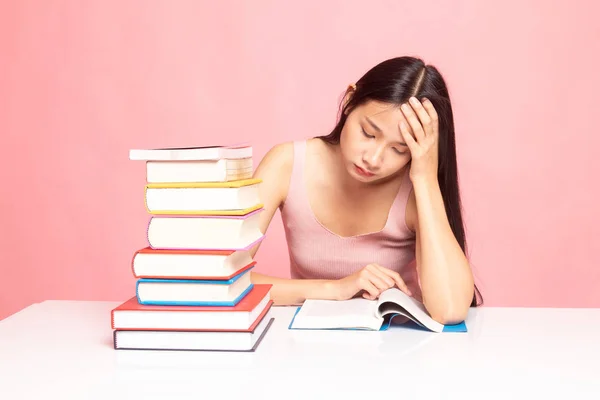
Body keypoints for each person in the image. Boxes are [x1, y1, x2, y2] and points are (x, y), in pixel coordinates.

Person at [249, 56, 482, 324]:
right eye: (368, 133)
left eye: (399, 149)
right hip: (308, 348)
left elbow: (450, 310)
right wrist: (335, 289)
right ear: (349, 101)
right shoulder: (287, 164)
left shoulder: (416, 189)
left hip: (401, 352)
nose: (373, 159)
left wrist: (426, 177)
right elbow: (221, 280)